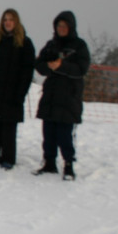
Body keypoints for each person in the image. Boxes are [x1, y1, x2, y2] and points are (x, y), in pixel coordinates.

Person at [33, 11, 90, 180]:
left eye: (64, 26)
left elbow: (81, 69)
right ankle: (49, 162)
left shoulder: (79, 46)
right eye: (59, 26)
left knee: (65, 135)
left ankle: (68, 165)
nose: (61, 29)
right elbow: (39, 64)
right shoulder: (51, 44)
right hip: (50, 95)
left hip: (69, 98)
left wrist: (62, 65)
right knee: (48, 132)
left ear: (71, 27)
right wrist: (48, 66)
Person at [0, 9, 35, 170]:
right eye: (5, 20)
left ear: (16, 22)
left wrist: (21, 93)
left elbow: (27, 70)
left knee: (9, 127)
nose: (8, 22)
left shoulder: (25, 43)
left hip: (13, 92)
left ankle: (8, 157)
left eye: (11, 19)